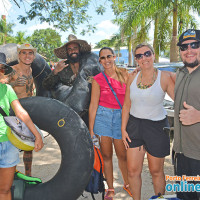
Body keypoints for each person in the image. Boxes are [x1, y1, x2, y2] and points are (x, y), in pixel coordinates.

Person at [121, 43, 174, 200]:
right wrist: (123, 129)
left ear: (153, 55)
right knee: (132, 171)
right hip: (134, 126)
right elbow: (126, 106)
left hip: (157, 127)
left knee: (156, 171)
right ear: (136, 59)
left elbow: (178, 102)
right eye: (139, 55)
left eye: (147, 54)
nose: (144, 58)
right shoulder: (132, 78)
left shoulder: (164, 77)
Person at [0, 52, 43, 200]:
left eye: (1, 69)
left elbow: (21, 113)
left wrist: (37, 135)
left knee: (4, 190)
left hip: (7, 143)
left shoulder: (7, 90)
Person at [89, 47, 131, 199]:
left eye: (109, 56)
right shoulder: (97, 79)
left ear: (114, 57)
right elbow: (93, 105)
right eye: (102, 58)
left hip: (121, 118)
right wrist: (91, 129)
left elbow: (131, 99)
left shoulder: (125, 74)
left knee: (122, 155)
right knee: (106, 155)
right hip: (103, 117)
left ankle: (127, 183)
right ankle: (110, 188)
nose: (106, 60)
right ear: (99, 61)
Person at [42, 34, 102, 125]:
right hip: (69, 112)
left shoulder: (89, 65)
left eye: (75, 48)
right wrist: (55, 72)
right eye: (69, 49)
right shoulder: (63, 67)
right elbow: (46, 85)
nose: (73, 51)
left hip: (91, 110)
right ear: (67, 52)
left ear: (79, 50)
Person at [1, 43, 37, 176]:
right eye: (24, 53)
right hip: (13, 113)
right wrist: (13, 84)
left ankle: (28, 175)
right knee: (11, 145)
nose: (27, 56)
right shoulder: (12, 70)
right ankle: (10, 173)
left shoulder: (31, 70)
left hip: (27, 112)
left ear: (33, 56)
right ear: (18, 55)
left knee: (28, 146)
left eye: (30, 53)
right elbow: (2, 84)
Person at [173, 29, 200, 200]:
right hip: (180, 153)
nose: (189, 50)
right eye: (184, 47)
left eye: (195, 45)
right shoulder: (180, 73)